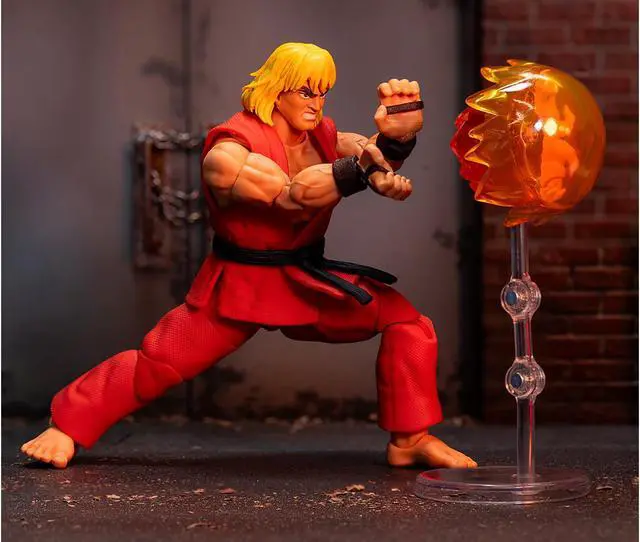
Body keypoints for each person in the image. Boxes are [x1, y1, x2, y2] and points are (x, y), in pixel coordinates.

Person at [21, 42, 476, 470]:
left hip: (303, 279)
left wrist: (398, 138)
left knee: (409, 326)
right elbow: (293, 196)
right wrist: (363, 170)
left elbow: (368, 155)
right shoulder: (230, 151)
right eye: (306, 91)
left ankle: (410, 438)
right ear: (276, 90)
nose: (316, 103)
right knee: (157, 363)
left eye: (323, 92)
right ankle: (68, 426)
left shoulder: (320, 134)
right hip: (240, 285)